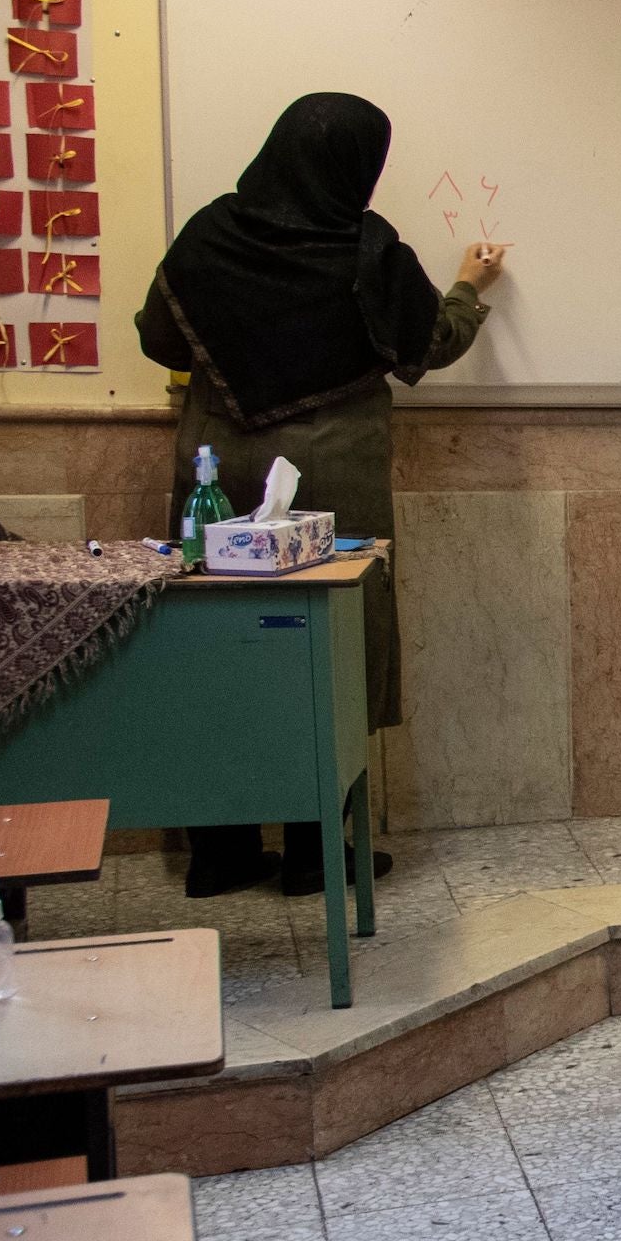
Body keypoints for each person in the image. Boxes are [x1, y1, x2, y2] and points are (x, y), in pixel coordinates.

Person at [137, 92, 505, 897]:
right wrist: (467, 287)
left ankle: (220, 853)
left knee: (214, 655)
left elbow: (159, 336)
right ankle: (316, 853)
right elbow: (430, 344)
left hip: (217, 476)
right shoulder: (369, 250)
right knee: (327, 654)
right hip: (330, 482)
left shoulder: (210, 233)